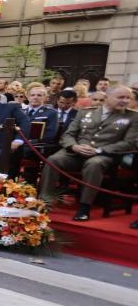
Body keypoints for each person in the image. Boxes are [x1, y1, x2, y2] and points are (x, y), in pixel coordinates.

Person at [38, 85, 136, 221]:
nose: (125, 101)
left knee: (93, 164)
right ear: (107, 97)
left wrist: (99, 150)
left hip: (104, 155)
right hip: (76, 152)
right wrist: (74, 146)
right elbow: (69, 134)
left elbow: (129, 143)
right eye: (121, 97)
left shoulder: (132, 117)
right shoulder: (85, 112)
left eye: (128, 98)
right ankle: (44, 201)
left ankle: (85, 206)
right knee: (53, 160)